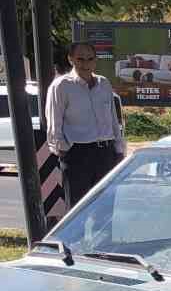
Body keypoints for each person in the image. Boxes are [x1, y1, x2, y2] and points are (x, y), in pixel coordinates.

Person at [45, 41, 126, 206]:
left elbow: (112, 119)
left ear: (95, 61)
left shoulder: (104, 84)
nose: (85, 64)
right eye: (80, 59)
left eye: (90, 59)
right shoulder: (61, 86)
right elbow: (54, 122)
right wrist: (64, 150)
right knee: (77, 210)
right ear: (71, 60)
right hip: (78, 155)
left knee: (105, 209)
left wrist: (118, 150)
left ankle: (103, 234)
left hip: (105, 154)